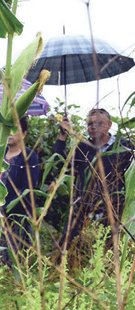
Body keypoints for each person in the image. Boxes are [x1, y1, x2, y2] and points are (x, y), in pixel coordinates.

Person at [53, 107, 132, 252]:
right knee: (69, 246)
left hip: (113, 210)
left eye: (98, 123)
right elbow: (60, 164)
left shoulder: (123, 147)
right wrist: (63, 136)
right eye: (89, 124)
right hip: (84, 208)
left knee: (107, 251)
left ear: (109, 125)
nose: (93, 127)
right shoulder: (83, 147)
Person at [0, 113, 41, 265]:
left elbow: (27, 191)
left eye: (16, 129)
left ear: (24, 134)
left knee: (11, 262)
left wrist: (3, 208)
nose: (11, 133)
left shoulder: (29, 157)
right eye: (8, 128)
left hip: (15, 219)